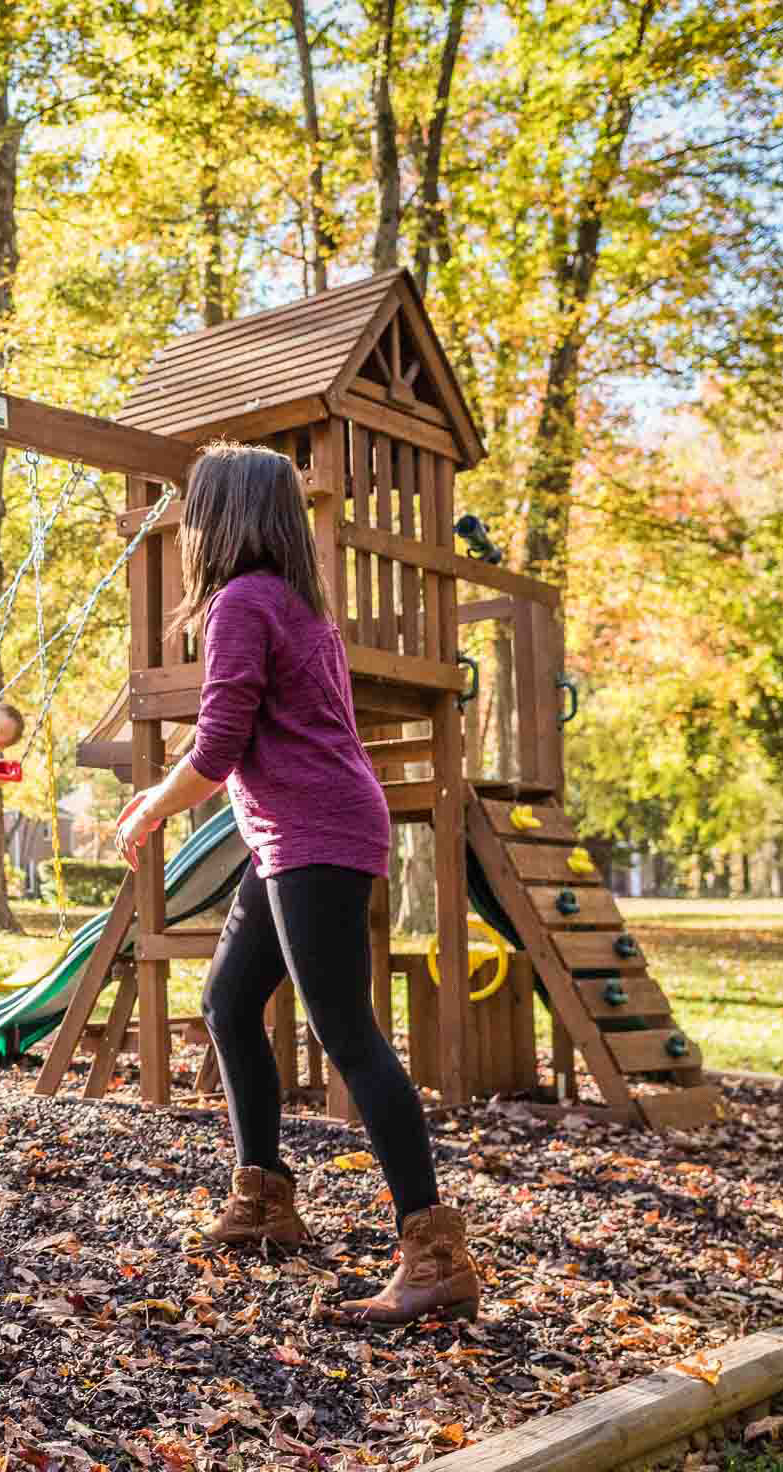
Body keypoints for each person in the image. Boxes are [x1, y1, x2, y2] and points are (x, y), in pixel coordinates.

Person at [112, 443, 479, 1326]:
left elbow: (217, 749)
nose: (189, 524)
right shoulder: (296, 605)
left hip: (316, 833)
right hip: (300, 831)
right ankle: (266, 1201)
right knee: (230, 1004)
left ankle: (434, 1256)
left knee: (348, 1036)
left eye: (196, 507)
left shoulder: (242, 602)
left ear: (225, 516)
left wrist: (149, 809)